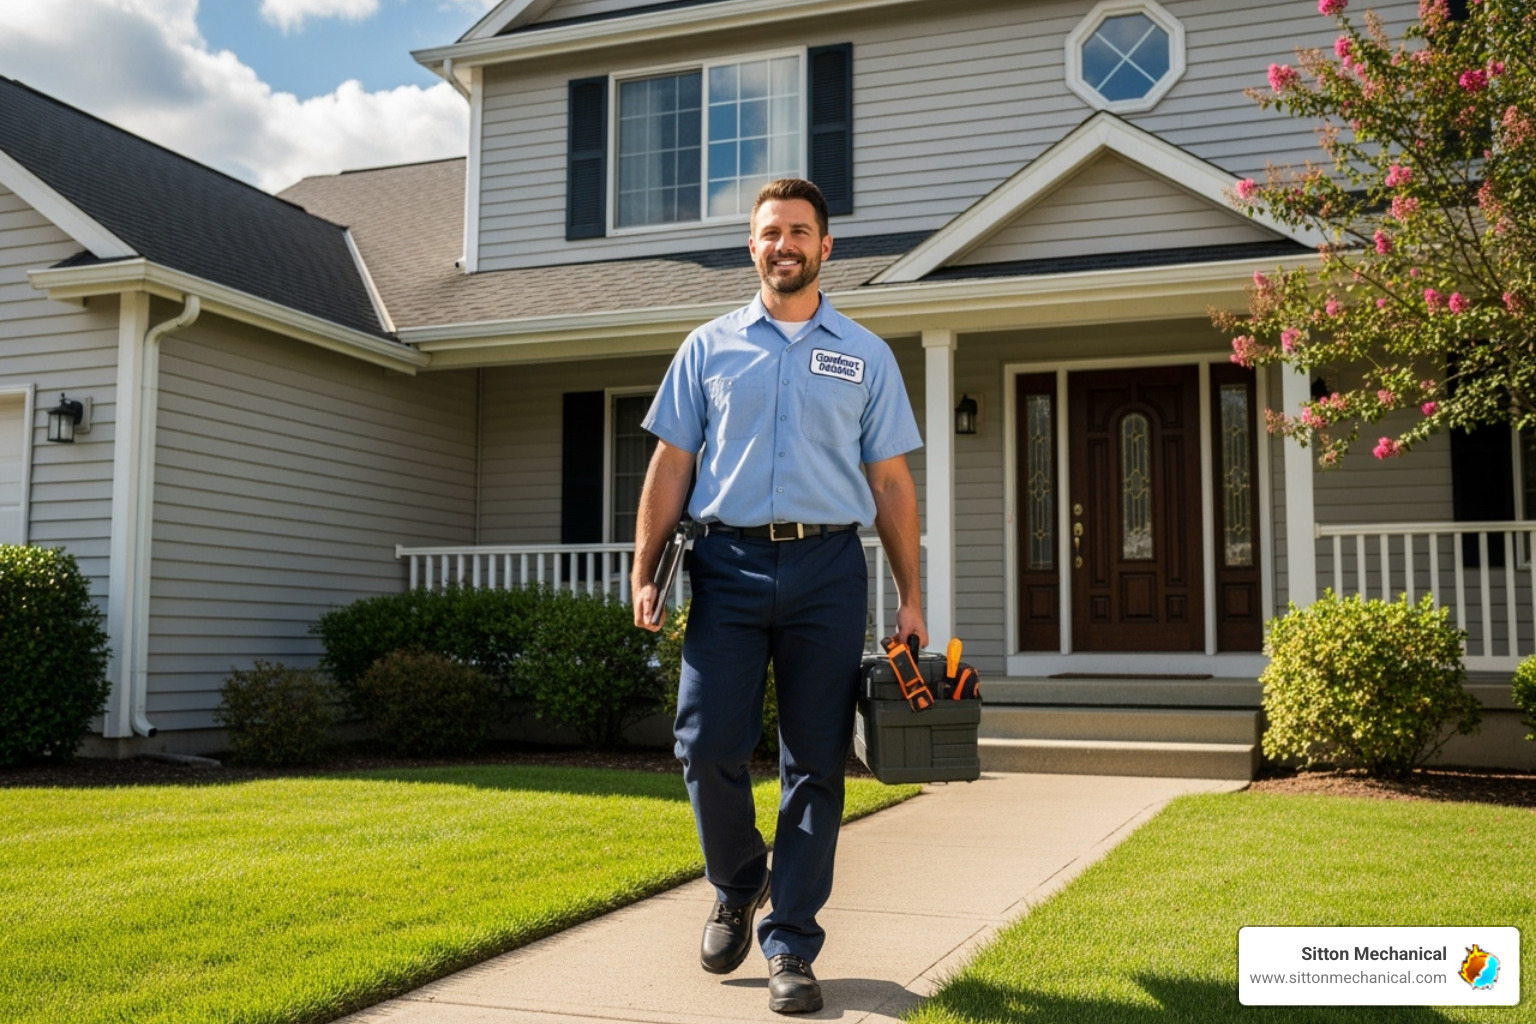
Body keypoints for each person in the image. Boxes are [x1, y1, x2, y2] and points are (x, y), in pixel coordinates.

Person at [630, 178, 926, 1015]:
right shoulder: (708, 347)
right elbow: (671, 465)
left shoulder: (865, 354)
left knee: (816, 763)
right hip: (725, 564)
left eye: (799, 231)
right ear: (752, 246)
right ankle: (737, 884)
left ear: (825, 246)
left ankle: (791, 941)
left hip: (828, 569)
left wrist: (910, 596)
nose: (783, 244)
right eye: (770, 232)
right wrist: (644, 569)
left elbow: (891, 482)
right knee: (704, 743)